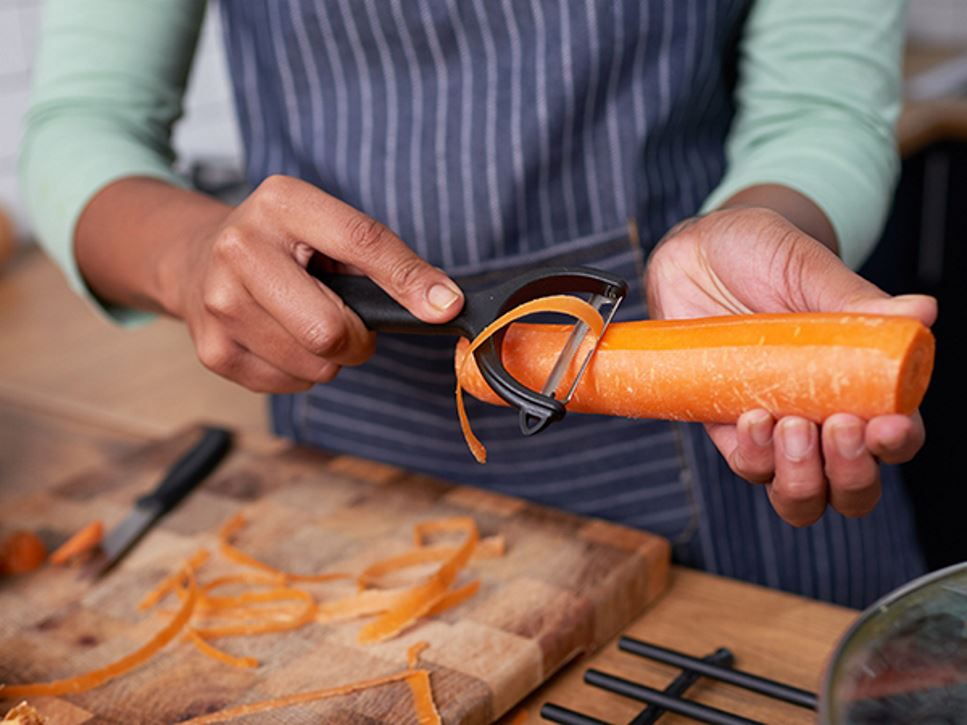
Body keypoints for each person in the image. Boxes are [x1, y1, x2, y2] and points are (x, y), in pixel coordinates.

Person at [21, 0, 935, 608]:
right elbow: (81, 125)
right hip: (353, 471)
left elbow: (817, 109)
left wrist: (754, 227)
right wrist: (188, 257)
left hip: (732, 442)